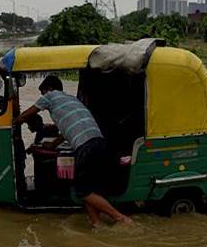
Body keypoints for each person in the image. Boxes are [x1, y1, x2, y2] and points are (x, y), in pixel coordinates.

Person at [14, 75, 133, 227]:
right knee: (89, 191)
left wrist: (13, 122)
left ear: (49, 89)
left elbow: (26, 115)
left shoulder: (50, 96)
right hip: (99, 143)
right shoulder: (72, 101)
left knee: (82, 192)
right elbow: (67, 129)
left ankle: (121, 218)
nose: (43, 96)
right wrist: (54, 143)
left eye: (43, 92)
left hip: (86, 147)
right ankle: (96, 225)